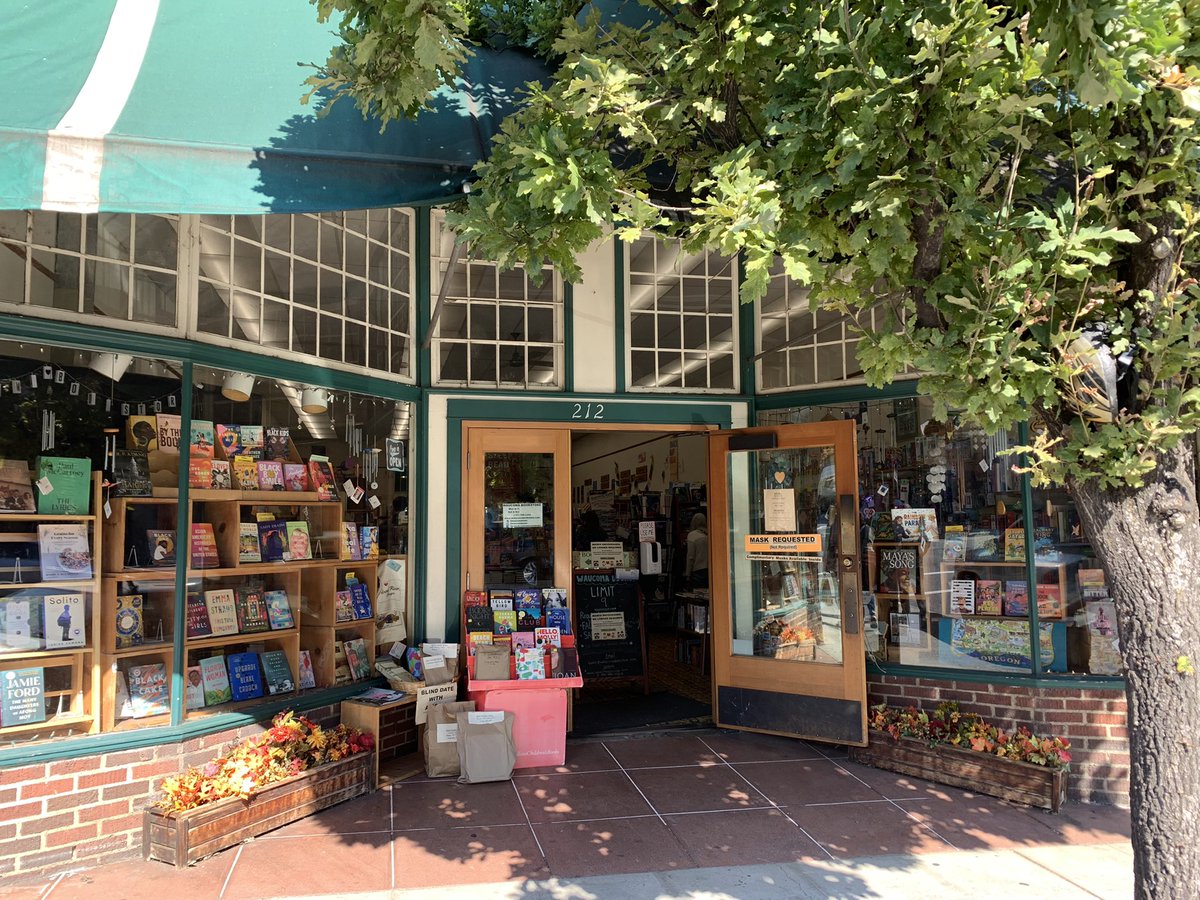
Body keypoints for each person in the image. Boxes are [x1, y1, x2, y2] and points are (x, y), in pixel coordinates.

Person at [684, 512, 709, 589]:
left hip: (698, 570)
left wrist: (687, 574)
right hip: (710, 569)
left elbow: (690, 557)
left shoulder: (692, 535)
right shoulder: (709, 533)